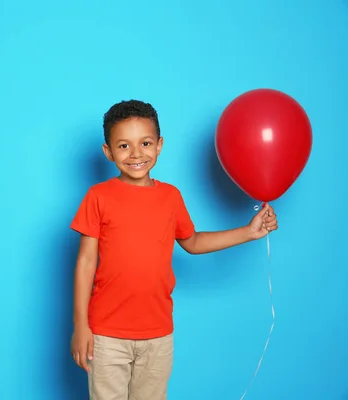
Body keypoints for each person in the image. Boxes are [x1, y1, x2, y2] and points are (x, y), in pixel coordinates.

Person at [69, 100, 278, 400]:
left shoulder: (170, 196)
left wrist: (249, 231)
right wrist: (80, 326)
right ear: (108, 152)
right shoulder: (98, 196)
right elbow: (86, 261)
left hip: (158, 334)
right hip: (106, 334)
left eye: (145, 143)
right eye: (124, 146)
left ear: (159, 145)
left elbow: (192, 242)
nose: (136, 153)